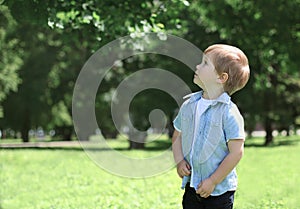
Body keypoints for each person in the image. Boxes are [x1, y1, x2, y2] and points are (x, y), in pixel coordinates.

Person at [172, 44, 250, 209]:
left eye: (205, 63)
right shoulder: (188, 106)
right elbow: (177, 136)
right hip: (192, 186)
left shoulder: (229, 113)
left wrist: (213, 180)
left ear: (221, 78)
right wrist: (179, 161)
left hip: (220, 192)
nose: (198, 66)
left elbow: (236, 152)